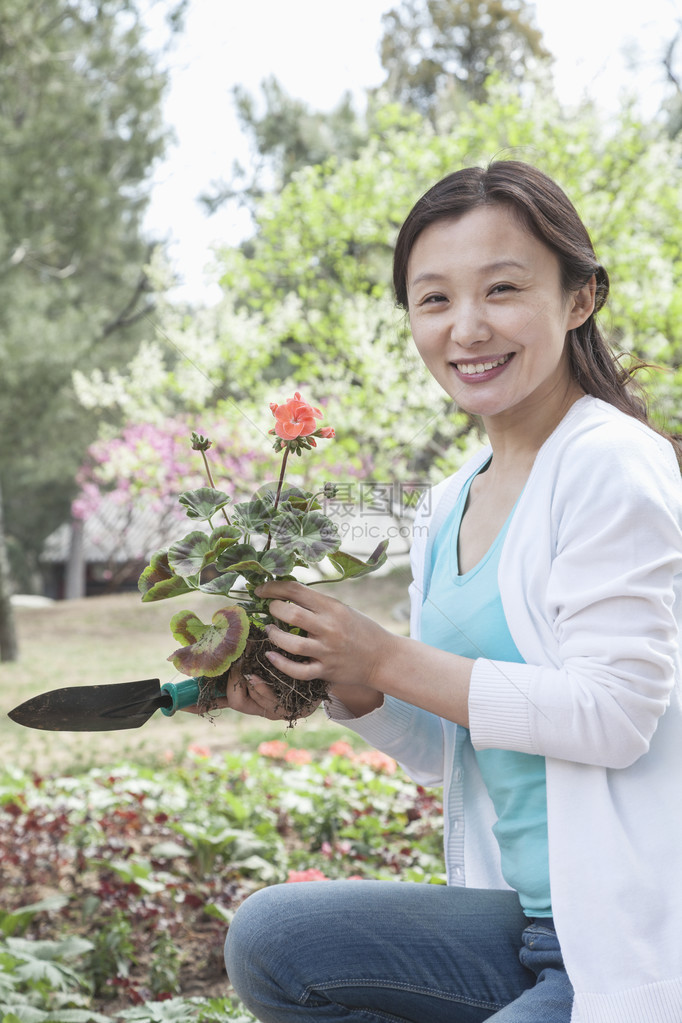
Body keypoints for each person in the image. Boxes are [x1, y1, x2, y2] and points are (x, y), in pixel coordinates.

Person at [219, 161, 682, 1023]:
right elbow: (455, 745)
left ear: (579, 299)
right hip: (532, 931)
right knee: (273, 938)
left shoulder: (611, 463)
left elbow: (617, 716)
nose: (467, 328)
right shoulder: (448, 499)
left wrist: (387, 652)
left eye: (502, 289)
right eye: (433, 300)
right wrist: (351, 681)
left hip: (633, 941)